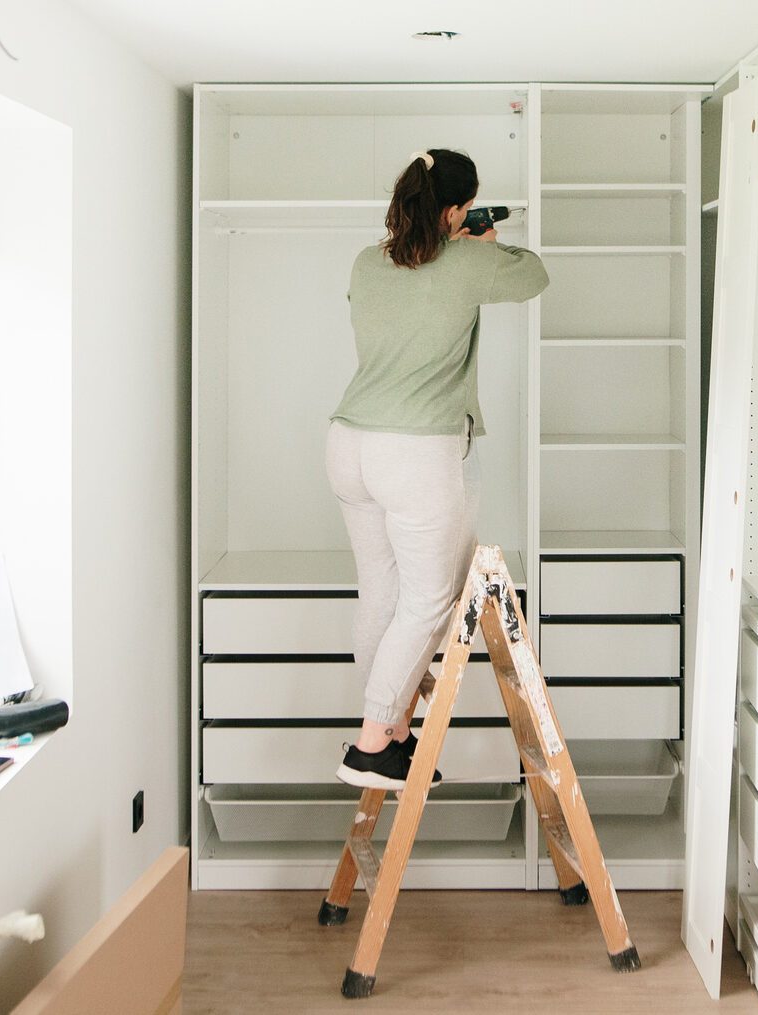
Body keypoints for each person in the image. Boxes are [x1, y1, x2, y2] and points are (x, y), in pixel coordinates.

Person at [327, 148, 549, 790]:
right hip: (415, 451)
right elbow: (534, 276)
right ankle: (372, 744)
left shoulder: (367, 261)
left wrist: (458, 241)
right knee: (427, 601)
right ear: (455, 210)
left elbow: (407, 285)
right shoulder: (469, 261)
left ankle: (393, 729)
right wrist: (485, 245)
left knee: (381, 592)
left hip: (348, 443)